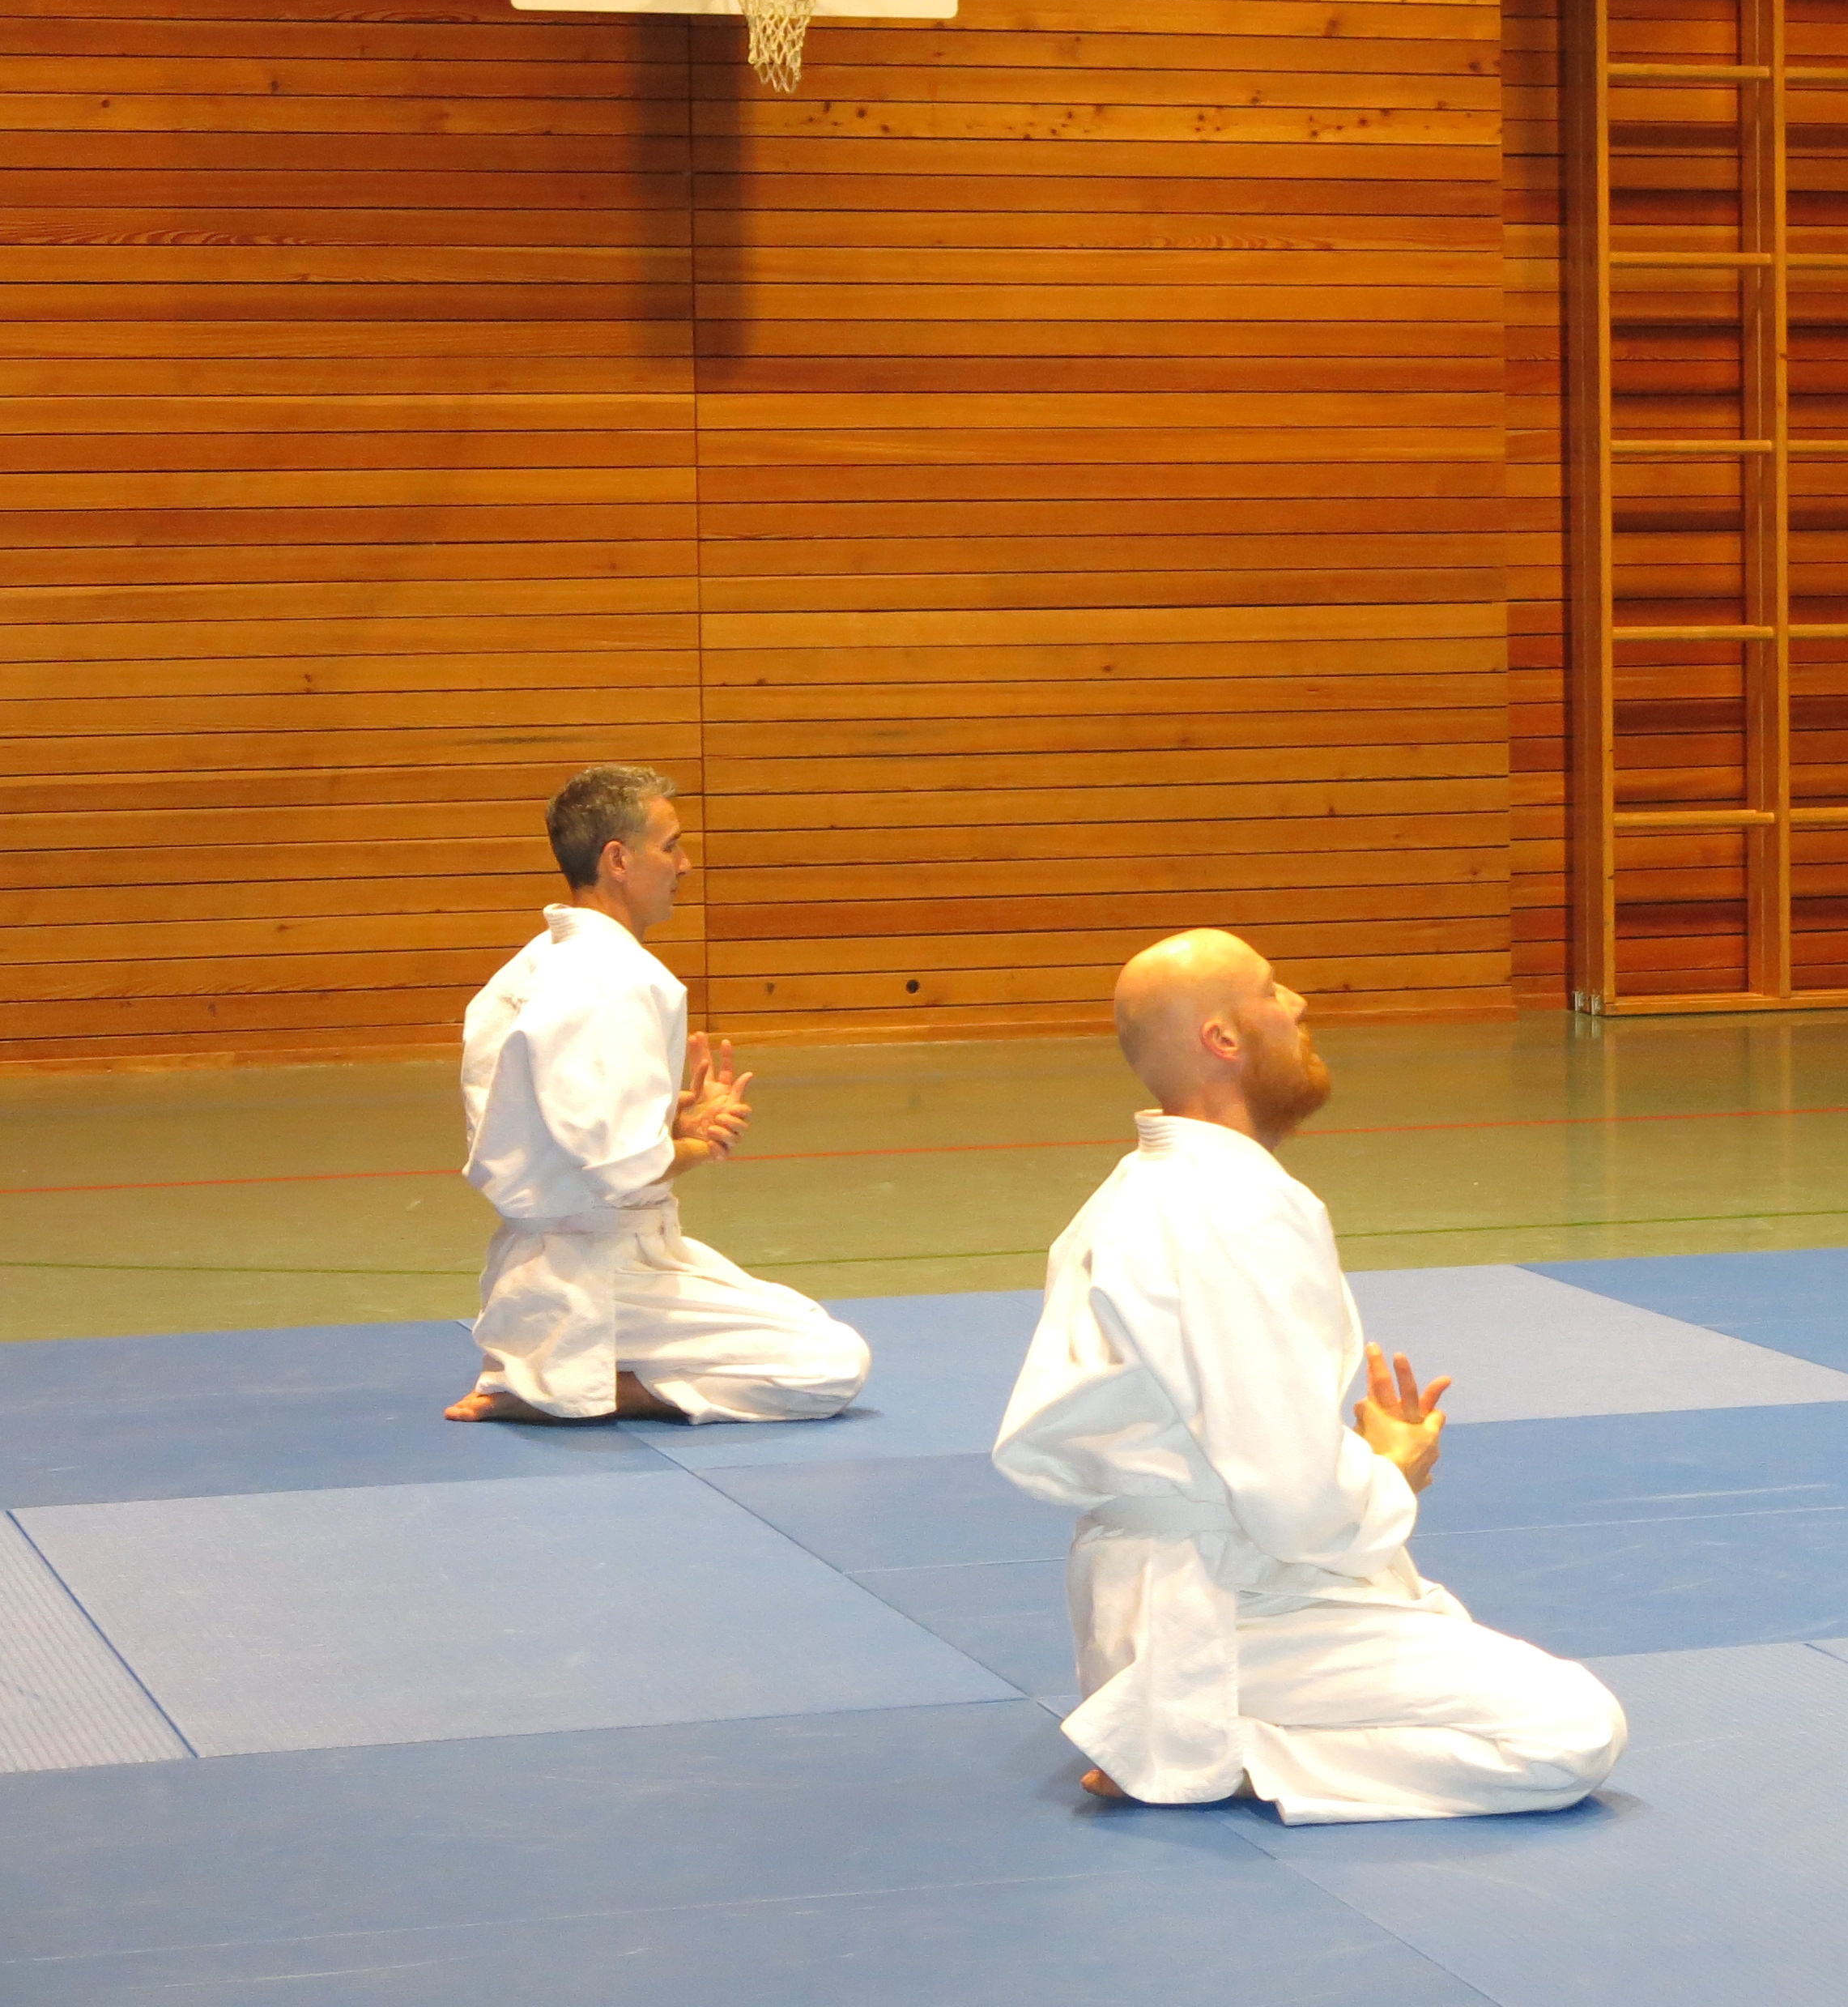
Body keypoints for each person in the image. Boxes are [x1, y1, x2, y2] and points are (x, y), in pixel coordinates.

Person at [993, 928, 1627, 1825]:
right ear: (1223, 1038)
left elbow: (1242, 1442)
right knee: (1570, 1732)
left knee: (1450, 1640)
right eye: (1271, 989)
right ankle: (1196, 1745)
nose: (1297, 1005)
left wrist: (1359, 1470)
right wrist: (1389, 1471)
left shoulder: (1146, 1190)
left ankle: (1178, 1729)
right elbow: (1287, 1491)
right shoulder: (1224, 1212)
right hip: (1220, 1607)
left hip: (1186, 1587)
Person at [444, 765, 871, 1425]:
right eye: (670, 846)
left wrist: (672, 1122)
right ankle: (582, 1387)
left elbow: (556, 1123)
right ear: (618, 859)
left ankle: (561, 1370)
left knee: (798, 1317)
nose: (685, 864)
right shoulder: (618, 980)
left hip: (550, 1264)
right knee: (830, 1363)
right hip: (599, 1270)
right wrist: (701, 1144)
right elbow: (623, 1168)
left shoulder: (530, 967)